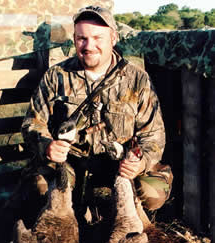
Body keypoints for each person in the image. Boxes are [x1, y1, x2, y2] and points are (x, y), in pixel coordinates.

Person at [19, 6, 172, 229]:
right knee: (39, 187)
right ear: (74, 39)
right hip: (70, 164)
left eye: (97, 38)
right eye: (82, 38)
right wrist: (46, 145)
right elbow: (32, 123)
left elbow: (154, 137)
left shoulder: (137, 79)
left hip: (118, 165)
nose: (89, 46)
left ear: (113, 38)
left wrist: (140, 164)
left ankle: (118, 217)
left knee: (152, 193)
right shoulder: (56, 76)